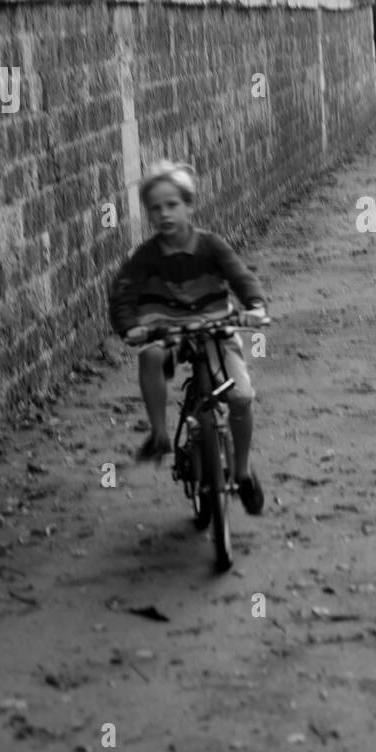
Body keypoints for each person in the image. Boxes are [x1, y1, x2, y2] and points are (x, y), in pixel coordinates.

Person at [108, 160, 267, 515]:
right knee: (149, 356)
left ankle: (241, 471)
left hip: (214, 327)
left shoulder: (211, 246)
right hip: (170, 330)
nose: (164, 214)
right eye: (156, 208)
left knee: (240, 397)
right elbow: (123, 293)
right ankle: (161, 433)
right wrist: (129, 325)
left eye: (172, 205)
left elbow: (240, 276)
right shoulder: (146, 256)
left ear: (189, 206)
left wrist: (254, 305)